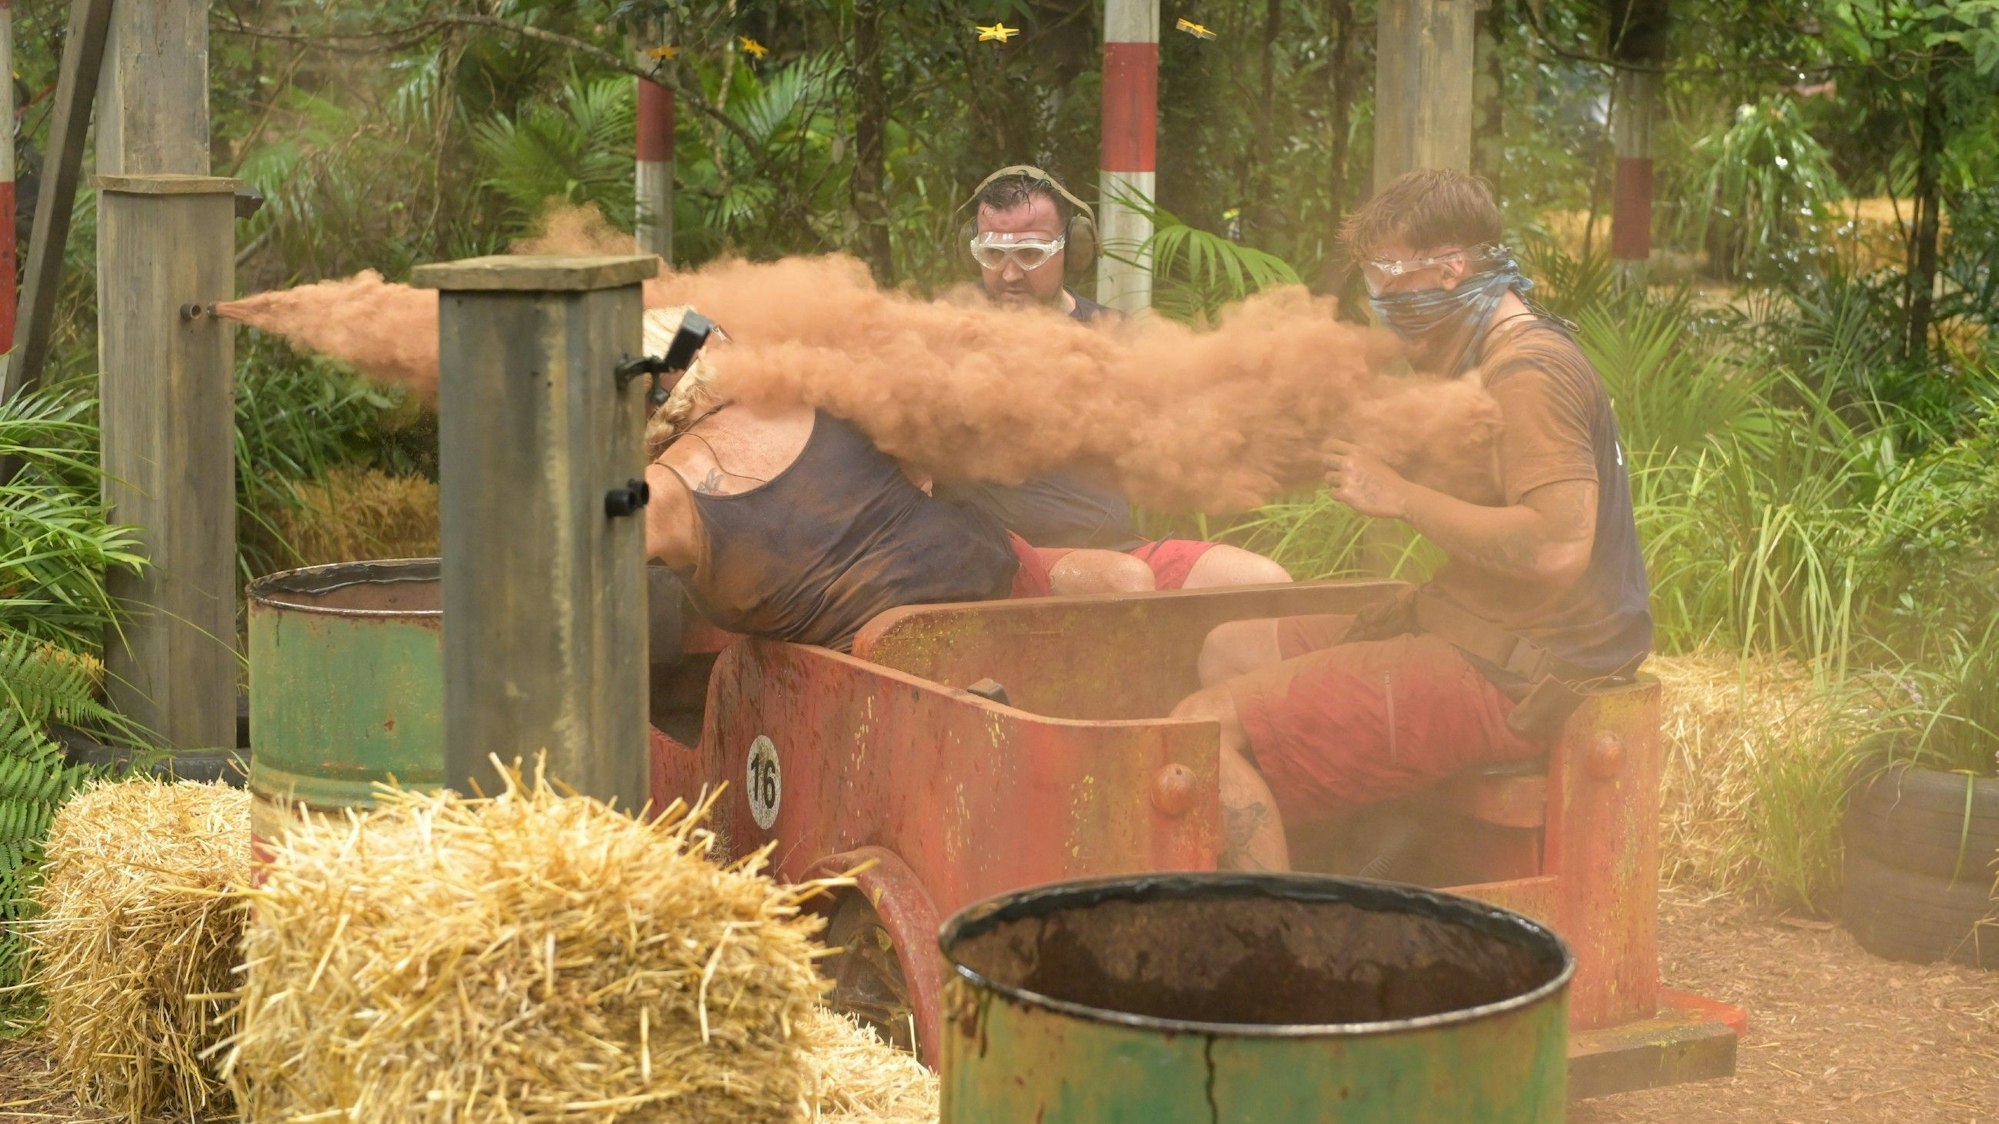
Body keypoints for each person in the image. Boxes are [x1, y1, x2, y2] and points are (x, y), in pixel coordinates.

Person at [1170, 169, 1653, 871]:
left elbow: (1554, 548)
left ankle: (1265, 946)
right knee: (1227, 648)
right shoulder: (1482, 355)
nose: (1380, 297)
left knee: (1196, 733)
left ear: (1452, 266)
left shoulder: (1527, 372)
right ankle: (1356, 875)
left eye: (1390, 274)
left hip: (1518, 673)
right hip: (1474, 633)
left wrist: (1400, 496)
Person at [639, 308, 1148, 652]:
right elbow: (934, 464)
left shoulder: (663, 492)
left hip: (899, 652)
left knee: (1119, 580)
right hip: (988, 585)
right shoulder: (824, 385)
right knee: (1126, 579)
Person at [937, 164, 1294, 592]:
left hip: (1119, 552)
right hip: (1001, 561)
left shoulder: (1114, 333)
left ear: (1073, 248)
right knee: (1124, 584)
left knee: (1261, 581)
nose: (1010, 274)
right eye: (993, 255)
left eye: (1030, 254)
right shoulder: (942, 333)